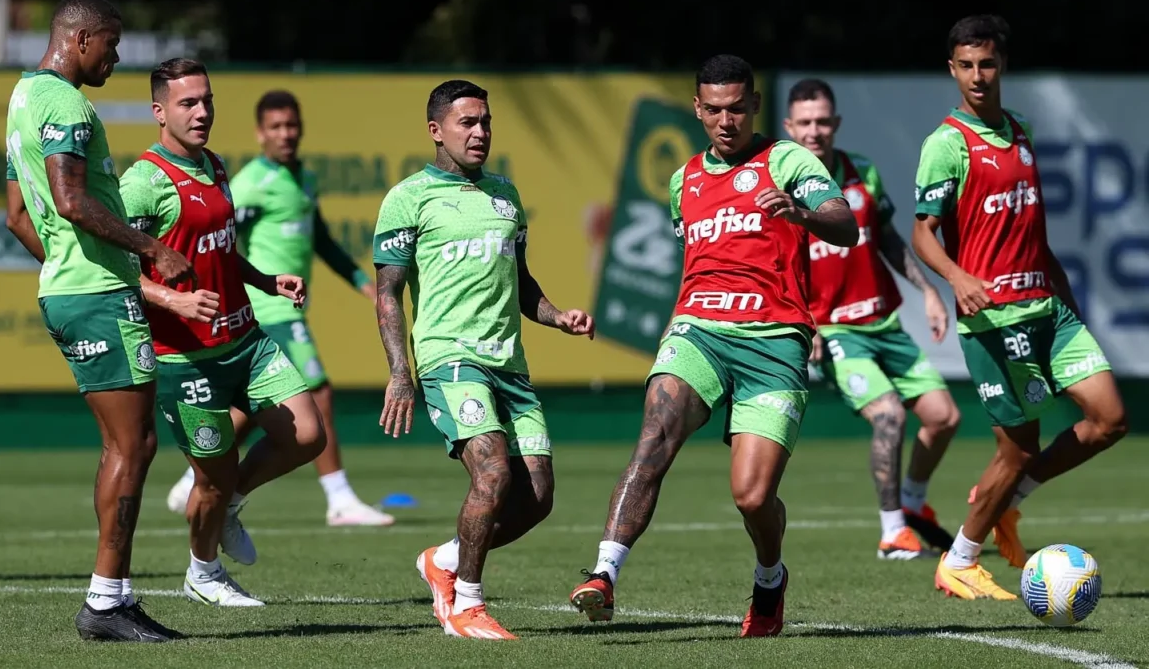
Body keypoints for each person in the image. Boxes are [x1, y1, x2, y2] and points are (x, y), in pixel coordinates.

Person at [570, 55, 858, 637]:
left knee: (753, 498)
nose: (726, 121)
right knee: (654, 434)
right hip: (698, 330)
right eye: (714, 110)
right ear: (698, 110)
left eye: (737, 108)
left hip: (775, 341)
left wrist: (801, 214)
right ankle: (603, 573)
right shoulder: (684, 180)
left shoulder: (785, 159)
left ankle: (770, 578)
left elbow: (843, 223)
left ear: (754, 104)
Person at [911, 15, 1127, 599]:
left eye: (986, 63)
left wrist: (1065, 290)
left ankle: (1011, 504)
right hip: (995, 319)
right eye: (965, 65)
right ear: (951, 69)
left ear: (1001, 64)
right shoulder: (947, 143)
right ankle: (958, 559)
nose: (977, 76)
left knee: (1110, 418)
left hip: (1048, 307)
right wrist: (957, 278)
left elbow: (1031, 227)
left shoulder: (1021, 129)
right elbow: (922, 233)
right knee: (1020, 446)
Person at [373, 79, 595, 640]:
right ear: (436, 131)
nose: (480, 132)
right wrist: (401, 372)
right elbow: (387, 293)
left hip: (511, 367)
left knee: (538, 497)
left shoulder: (506, 196)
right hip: (451, 361)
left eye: (486, 121)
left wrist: (556, 315)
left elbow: (522, 285)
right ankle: (466, 606)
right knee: (492, 471)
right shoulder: (408, 198)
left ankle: (443, 559)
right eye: (467, 122)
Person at [2, 0, 192, 642]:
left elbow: (19, 216)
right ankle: (106, 602)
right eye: (110, 45)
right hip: (98, 291)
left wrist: (60, 268)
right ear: (80, 39)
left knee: (124, 443)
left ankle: (112, 595)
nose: (114, 58)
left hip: (70, 289)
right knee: (133, 444)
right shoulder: (64, 103)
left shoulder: (21, 99)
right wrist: (152, 248)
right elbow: (71, 199)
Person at [118, 58, 328, 606]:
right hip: (185, 358)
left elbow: (220, 250)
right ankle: (203, 573)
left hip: (246, 340)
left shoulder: (215, 164)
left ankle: (232, 503)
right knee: (211, 477)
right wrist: (175, 299)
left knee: (308, 434)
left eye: (207, 100)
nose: (202, 111)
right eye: (188, 103)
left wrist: (264, 279)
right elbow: (116, 272)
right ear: (159, 112)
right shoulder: (142, 182)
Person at [164, 90, 391, 528]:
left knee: (255, 409)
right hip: (268, 309)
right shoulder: (250, 183)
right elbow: (217, 242)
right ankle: (339, 498)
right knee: (318, 392)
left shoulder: (303, 179)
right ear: (259, 133)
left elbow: (321, 240)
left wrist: (365, 283)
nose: (285, 134)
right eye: (275, 127)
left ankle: (192, 478)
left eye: (291, 125)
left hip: (289, 307)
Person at [783, 78, 960, 559]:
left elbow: (887, 240)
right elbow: (772, 264)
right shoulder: (777, 183)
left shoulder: (861, 171)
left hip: (884, 324)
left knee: (944, 418)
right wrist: (805, 324)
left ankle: (913, 503)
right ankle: (891, 533)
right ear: (788, 126)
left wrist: (928, 292)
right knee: (889, 417)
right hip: (835, 331)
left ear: (835, 123)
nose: (814, 130)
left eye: (822, 121)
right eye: (805, 122)